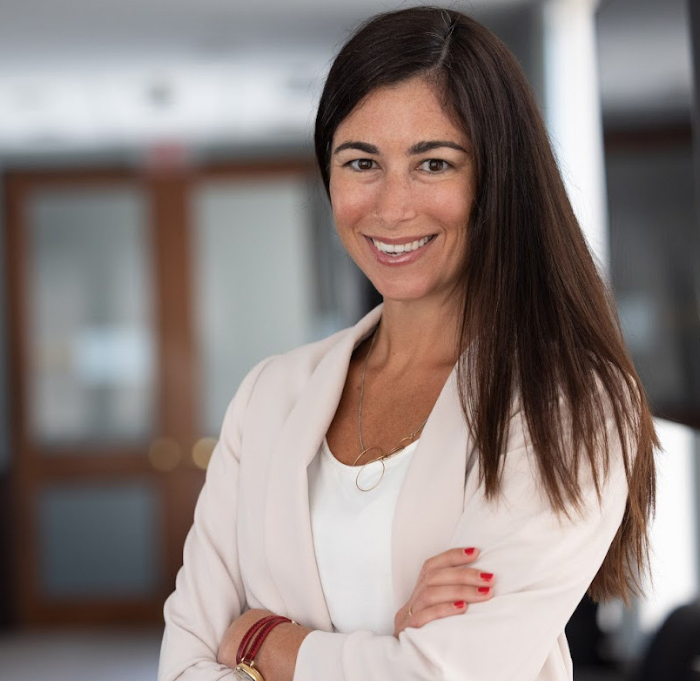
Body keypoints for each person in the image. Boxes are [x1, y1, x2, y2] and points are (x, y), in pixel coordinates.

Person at [157, 6, 657, 681]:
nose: (391, 207)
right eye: (361, 161)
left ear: (495, 178)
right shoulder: (270, 395)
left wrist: (265, 644)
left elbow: (446, 675)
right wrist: (385, 650)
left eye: (433, 163)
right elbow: (183, 663)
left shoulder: (569, 403)